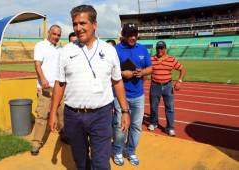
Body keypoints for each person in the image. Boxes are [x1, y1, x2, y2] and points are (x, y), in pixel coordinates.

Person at [49, 5, 130, 170]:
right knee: (81, 161)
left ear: (94, 24)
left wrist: (125, 111)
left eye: (83, 23)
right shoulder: (65, 51)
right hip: (73, 115)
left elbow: (117, 81)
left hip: (101, 115)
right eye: (75, 24)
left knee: (100, 163)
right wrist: (52, 113)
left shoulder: (109, 50)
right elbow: (60, 83)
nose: (78, 28)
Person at [112, 23, 152, 166]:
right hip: (120, 94)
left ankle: (131, 151)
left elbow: (150, 67)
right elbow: (110, 70)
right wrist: (123, 73)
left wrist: (142, 72)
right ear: (123, 35)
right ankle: (118, 150)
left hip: (138, 95)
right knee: (120, 125)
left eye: (135, 34)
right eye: (129, 34)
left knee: (136, 126)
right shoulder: (116, 50)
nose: (133, 37)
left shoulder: (142, 49)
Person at [30, 24, 64, 156]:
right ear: (49, 33)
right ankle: (36, 142)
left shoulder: (60, 49)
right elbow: (37, 64)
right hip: (45, 87)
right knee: (42, 115)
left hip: (59, 87)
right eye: (54, 34)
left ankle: (64, 134)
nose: (56, 37)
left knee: (62, 113)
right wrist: (43, 80)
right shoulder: (40, 46)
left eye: (58, 35)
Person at [148, 41, 186, 136]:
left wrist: (179, 81)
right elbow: (145, 69)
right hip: (155, 85)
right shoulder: (151, 59)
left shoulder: (171, 59)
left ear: (165, 49)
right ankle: (153, 123)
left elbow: (182, 69)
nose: (159, 50)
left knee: (169, 108)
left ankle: (170, 127)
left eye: (161, 48)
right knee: (153, 107)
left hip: (168, 86)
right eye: (158, 48)